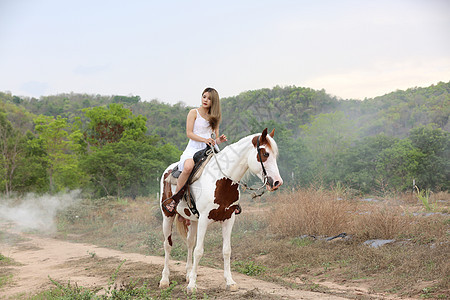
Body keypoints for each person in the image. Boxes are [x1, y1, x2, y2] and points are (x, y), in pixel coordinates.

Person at [163, 87, 227, 213]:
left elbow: (213, 138)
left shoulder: (215, 117)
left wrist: (219, 140)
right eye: (204, 97)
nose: (206, 100)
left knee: (227, 168)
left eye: (209, 98)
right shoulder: (193, 113)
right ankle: (175, 199)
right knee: (187, 168)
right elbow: (189, 133)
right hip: (194, 148)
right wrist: (204, 140)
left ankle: (231, 201)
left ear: (214, 101)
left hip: (209, 149)